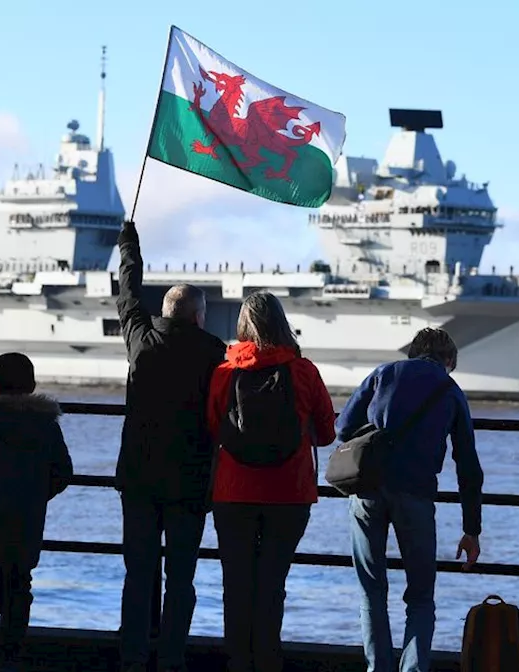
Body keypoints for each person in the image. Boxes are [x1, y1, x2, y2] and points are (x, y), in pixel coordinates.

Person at [335, 326, 482, 672]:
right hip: (416, 495)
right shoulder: (451, 390)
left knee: (372, 589)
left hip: (368, 490)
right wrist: (471, 529)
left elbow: (342, 429)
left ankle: (378, 667)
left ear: (413, 351)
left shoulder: (383, 374)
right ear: (448, 360)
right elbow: (469, 467)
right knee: (420, 597)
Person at [114, 220, 226, 672]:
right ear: (199, 315)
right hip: (191, 482)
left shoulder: (140, 339)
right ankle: (172, 658)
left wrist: (128, 244)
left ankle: (132, 657)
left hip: (139, 480)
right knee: (181, 578)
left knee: (138, 576)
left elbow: (127, 292)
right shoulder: (215, 351)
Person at [206, 291, 336, 672]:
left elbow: (214, 427)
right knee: (272, 581)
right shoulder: (304, 370)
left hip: (233, 491)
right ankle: (268, 658)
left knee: (236, 581)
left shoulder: (224, 372)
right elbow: (328, 433)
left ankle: (237, 660)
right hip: (289, 493)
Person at [0, 352, 73, 672]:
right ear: (33, 386)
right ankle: (13, 640)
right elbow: (63, 471)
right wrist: (37, 494)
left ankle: (5, 618)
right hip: (27, 517)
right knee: (20, 577)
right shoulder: (48, 427)